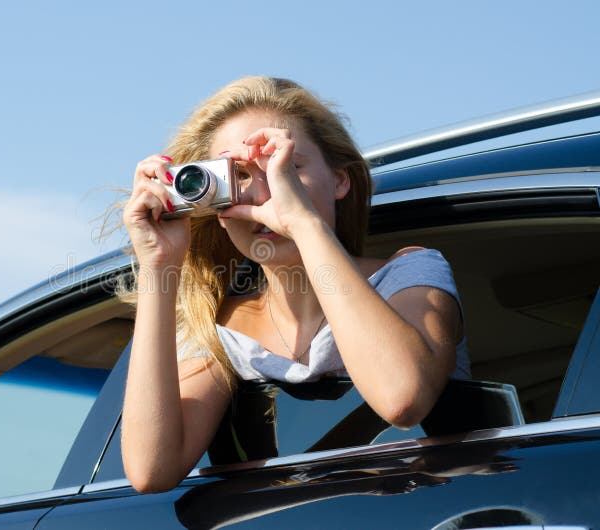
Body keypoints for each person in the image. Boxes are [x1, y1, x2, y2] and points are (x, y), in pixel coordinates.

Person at [119, 76, 468, 493]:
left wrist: (303, 223)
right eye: (239, 176)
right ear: (212, 202)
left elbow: (402, 399)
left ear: (341, 180)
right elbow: (151, 470)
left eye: (287, 167)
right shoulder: (222, 325)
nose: (266, 191)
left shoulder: (408, 274)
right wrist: (159, 266)